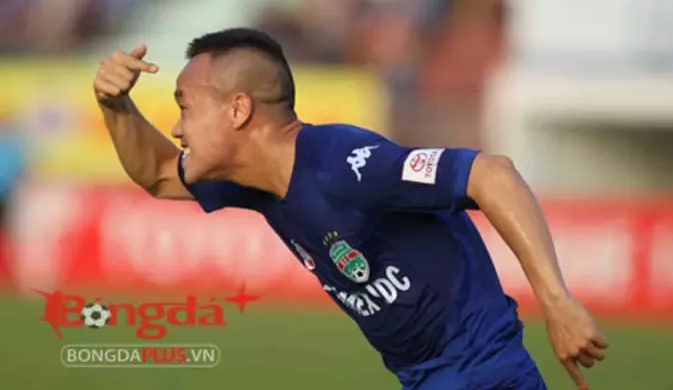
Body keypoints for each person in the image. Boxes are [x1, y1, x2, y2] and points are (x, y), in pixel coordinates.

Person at [93, 28, 607, 390]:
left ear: (238, 109)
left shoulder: (344, 164)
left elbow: (492, 173)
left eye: (185, 107)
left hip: (484, 375)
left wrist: (557, 303)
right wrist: (115, 104)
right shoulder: (253, 182)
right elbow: (159, 173)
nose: (177, 128)